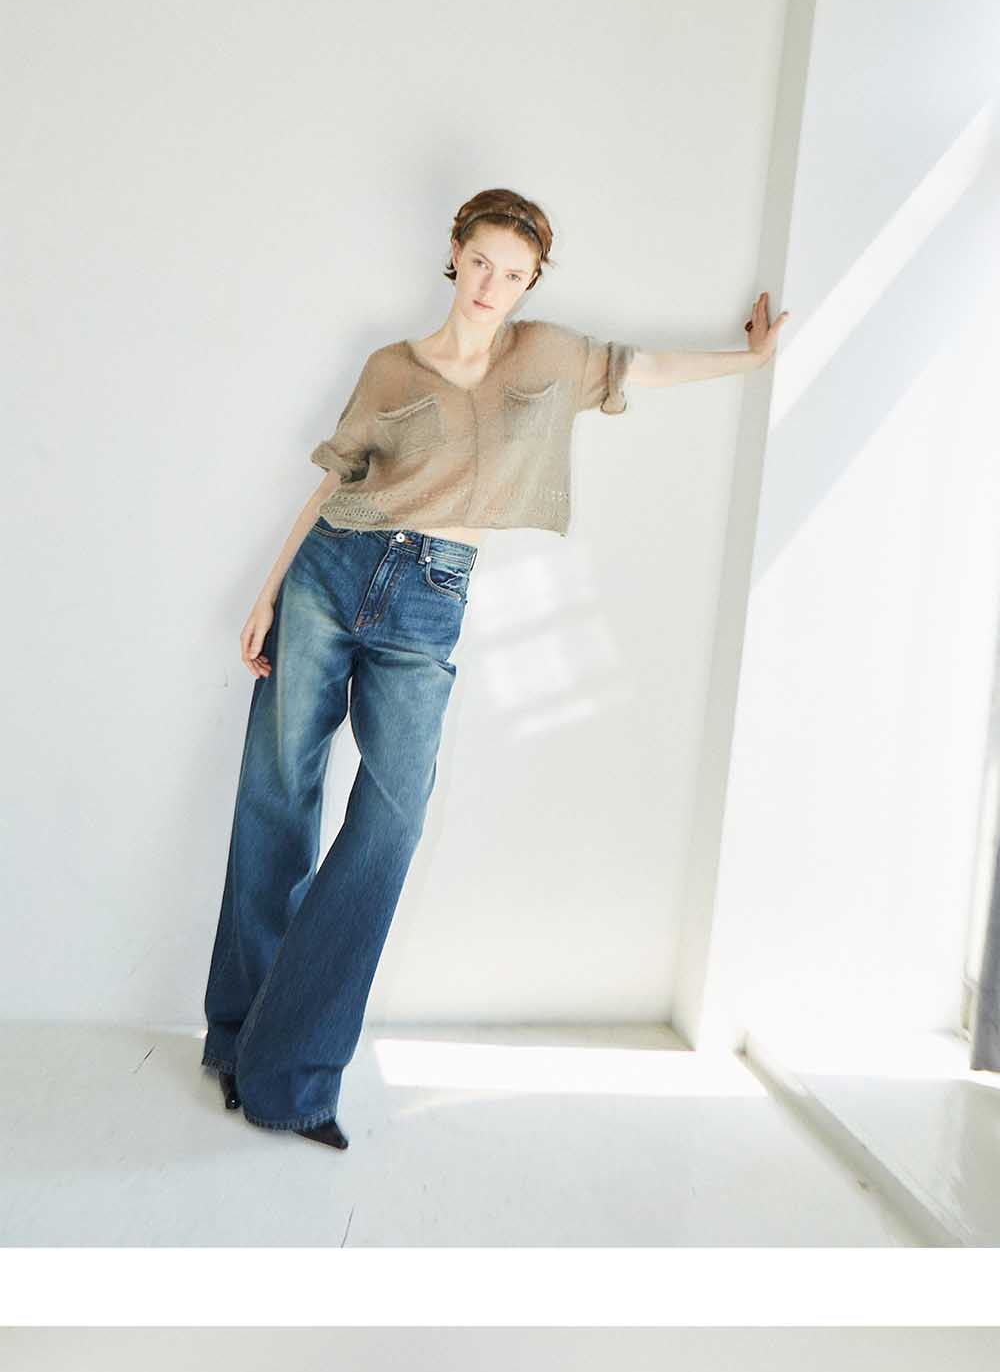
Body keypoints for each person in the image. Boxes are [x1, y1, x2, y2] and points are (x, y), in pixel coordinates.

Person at [202, 183, 783, 1145]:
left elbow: (642, 366)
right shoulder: (391, 365)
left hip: (430, 595)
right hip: (330, 571)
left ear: (530, 283)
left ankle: (286, 1071)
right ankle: (235, 1037)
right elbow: (336, 479)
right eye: (480, 262)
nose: (491, 284)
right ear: (456, 253)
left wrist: (750, 360)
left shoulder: (546, 354)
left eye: (514, 274)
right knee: (277, 792)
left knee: (391, 820)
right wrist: (267, 591)